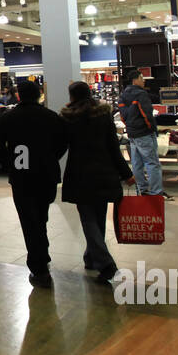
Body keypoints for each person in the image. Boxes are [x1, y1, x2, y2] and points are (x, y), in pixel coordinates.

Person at [0, 80, 68, 287]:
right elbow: (62, 143)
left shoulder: (9, 118)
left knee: (29, 221)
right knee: (41, 217)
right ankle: (42, 256)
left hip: (22, 176)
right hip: (47, 175)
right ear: (39, 94)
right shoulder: (51, 117)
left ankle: (38, 265)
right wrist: (51, 158)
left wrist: (9, 163)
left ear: (19, 96)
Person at [58, 81, 133, 284]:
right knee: (98, 216)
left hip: (79, 173)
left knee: (88, 219)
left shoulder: (67, 117)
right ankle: (91, 257)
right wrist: (126, 173)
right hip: (104, 171)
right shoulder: (103, 115)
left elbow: (60, 146)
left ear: (72, 96)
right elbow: (113, 147)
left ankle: (105, 263)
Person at [118, 69, 168, 200]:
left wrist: (130, 127)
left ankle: (142, 189)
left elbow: (122, 116)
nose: (143, 80)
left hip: (132, 133)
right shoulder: (141, 94)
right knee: (152, 163)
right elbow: (147, 114)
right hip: (144, 132)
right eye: (141, 77)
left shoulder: (123, 95)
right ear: (135, 80)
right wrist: (152, 129)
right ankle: (156, 192)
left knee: (137, 163)